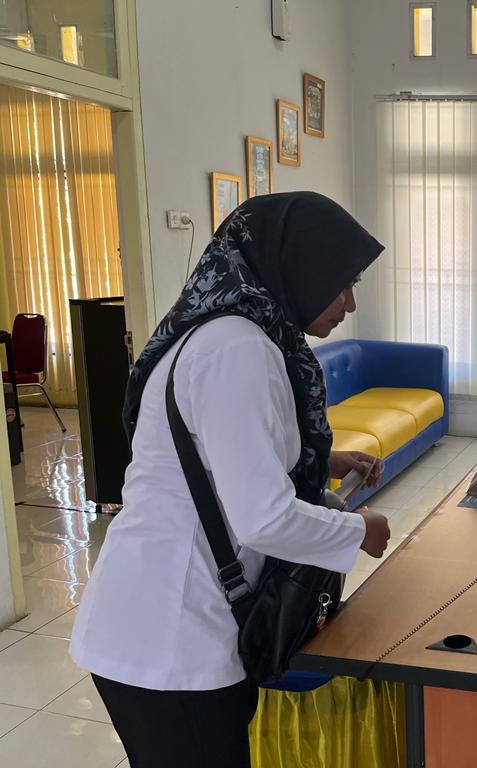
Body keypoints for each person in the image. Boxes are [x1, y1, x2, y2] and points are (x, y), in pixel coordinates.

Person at [70, 192, 392, 768]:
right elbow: (264, 518)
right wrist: (359, 529)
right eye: (342, 282)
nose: (349, 302)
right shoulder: (237, 347)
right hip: (170, 634)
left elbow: (216, 454)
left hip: (165, 619)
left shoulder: (233, 334)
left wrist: (326, 462)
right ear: (298, 267)